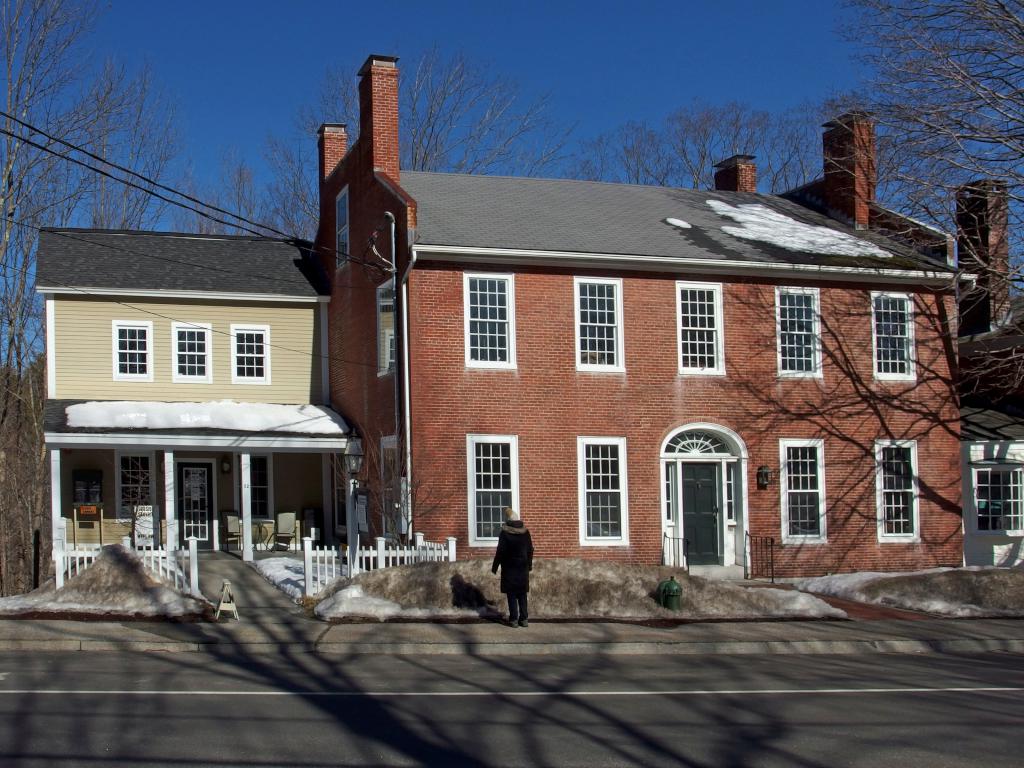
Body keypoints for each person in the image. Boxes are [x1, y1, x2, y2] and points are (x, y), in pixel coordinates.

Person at [491, 506, 534, 627]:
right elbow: (530, 550)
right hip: (522, 567)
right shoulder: (526, 532)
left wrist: (495, 567)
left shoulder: (504, 533)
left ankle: (514, 619)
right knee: (522, 593)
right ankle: (524, 619)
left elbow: (500, 551)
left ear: (508, 520)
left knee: (511, 593)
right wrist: (529, 565)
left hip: (509, 567)